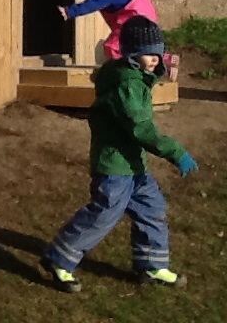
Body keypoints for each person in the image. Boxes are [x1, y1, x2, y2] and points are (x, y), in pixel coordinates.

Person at [40, 15, 198, 294]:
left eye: (158, 53)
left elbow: (146, 86)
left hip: (134, 166)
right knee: (103, 214)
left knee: (152, 209)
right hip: (114, 167)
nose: (155, 60)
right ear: (132, 55)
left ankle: (152, 265)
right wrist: (176, 152)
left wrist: (158, 71)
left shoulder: (137, 78)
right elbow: (141, 128)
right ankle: (59, 259)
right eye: (149, 54)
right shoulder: (126, 86)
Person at [58, 0, 179, 81]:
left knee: (112, 46)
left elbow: (93, 3)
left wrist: (69, 11)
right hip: (144, 12)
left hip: (131, 19)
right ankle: (167, 60)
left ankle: (121, 73)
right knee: (140, 45)